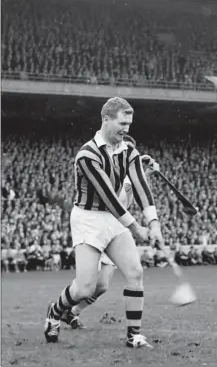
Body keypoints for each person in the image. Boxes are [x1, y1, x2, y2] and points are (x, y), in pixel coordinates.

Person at [44, 97, 164, 348]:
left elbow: (140, 184)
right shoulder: (87, 155)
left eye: (129, 124)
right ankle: (55, 311)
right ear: (106, 119)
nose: (126, 129)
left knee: (135, 272)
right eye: (122, 123)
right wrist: (136, 227)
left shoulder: (129, 150)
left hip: (114, 220)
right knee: (85, 288)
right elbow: (109, 196)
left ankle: (133, 336)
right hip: (89, 219)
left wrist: (153, 222)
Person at [61, 140, 160, 329]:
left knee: (102, 286)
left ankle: (72, 313)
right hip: (96, 226)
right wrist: (136, 228)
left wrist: (145, 172)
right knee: (85, 287)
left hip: (114, 230)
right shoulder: (106, 174)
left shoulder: (129, 172)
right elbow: (117, 199)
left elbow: (133, 193)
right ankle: (59, 309)